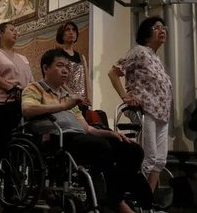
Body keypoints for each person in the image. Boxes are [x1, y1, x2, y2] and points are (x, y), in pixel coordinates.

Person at [22, 48, 153, 213]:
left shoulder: (68, 96)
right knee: (101, 147)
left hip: (82, 136)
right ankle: (115, 201)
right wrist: (63, 106)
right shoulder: (34, 88)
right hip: (58, 138)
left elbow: (87, 128)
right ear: (46, 68)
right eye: (60, 65)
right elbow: (27, 109)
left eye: (67, 67)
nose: (65, 70)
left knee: (133, 150)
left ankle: (124, 199)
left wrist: (111, 133)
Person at [108, 16, 172, 192]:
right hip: (145, 111)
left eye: (163, 27)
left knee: (160, 160)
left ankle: (148, 199)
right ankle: (138, 198)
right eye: (156, 27)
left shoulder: (155, 58)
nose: (162, 30)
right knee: (149, 157)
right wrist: (124, 96)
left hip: (162, 114)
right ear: (146, 33)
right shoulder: (139, 51)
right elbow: (113, 73)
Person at [0, 22, 34, 184]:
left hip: (19, 105)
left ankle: (15, 185)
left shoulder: (22, 58)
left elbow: (30, 81)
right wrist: (12, 88)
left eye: (17, 30)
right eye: (11, 30)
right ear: (0, 33)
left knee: (19, 145)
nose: (16, 32)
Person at [56, 21, 91, 108]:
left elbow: (86, 79)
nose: (71, 32)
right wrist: (73, 95)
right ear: (61, 34)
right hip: (65, 99)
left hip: (82, 102)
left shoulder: (81, 57)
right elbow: (58, 79)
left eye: (74, 30)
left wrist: (89, 98)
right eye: (68, 30)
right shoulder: (58, 54)